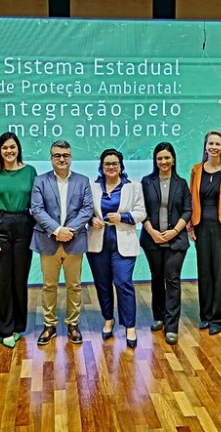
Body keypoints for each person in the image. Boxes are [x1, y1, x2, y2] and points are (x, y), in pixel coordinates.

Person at [30, 140, 94, 346]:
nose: (62, 159)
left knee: (74, 286)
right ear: (51, 158)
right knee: (49, 286)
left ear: (71, 157)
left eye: (65, 155)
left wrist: (69, 231)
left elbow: (87, 209)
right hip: (48, 241)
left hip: (74, 241)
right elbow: (37, 209)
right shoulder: (40, 181)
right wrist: (57, 230)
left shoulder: (82, 181)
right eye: (57, 155)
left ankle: (73, 324)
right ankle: (49, 325)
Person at [0, 132, 37, 348]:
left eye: (12, 147)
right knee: (0, 279)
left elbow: (36, 203)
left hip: (24, 225)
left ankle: (17, 326)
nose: (9, 151)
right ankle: (4, 329)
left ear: (18, 148)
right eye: (4, 147)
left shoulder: (30, 172)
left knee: (19, 278)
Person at [87, 149, 146, 348]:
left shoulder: (133, 186)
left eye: (114, 164)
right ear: (101, 167)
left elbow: (141, 213)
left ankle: (130, 326)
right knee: (102, 284)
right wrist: (91, 220)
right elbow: (83, 210)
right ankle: (108, 319)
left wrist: (123, 217)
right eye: (107, 164)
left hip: (124, 243)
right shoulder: (92, 186)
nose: (111, 167)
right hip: (98, 243)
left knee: (123, 283)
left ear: (121, 166)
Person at [188, 131, 221, 336]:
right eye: (210, 143)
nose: (213, 147)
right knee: (204, 273)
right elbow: (192, 200)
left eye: (217, 144)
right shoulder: (196, 170)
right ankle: (206, 315)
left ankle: (219, 319)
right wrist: (191, 227)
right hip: (201, 228)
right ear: (205, 146)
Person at [140, 142, 191, 345]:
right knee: (156, 278)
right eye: (160, 158)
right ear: (155, 160)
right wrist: (152, 232)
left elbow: (187, 210)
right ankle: (159, 317)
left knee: (172, 279)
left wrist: (174, 231)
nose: (163, 161)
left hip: (176, 240)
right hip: (152, 240)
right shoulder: (146, 182)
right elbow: (141, 209)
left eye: (167, 158)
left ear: (173, 160)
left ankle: (171, 326)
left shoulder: (181, 183)